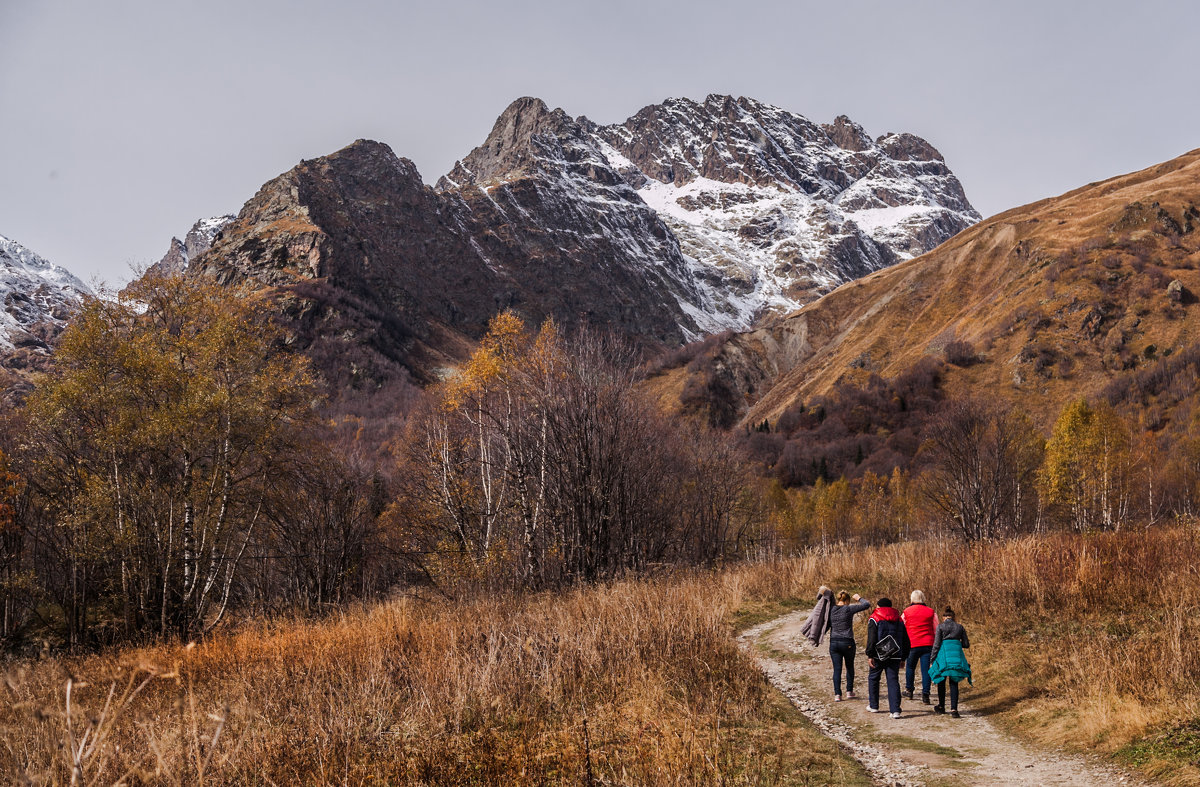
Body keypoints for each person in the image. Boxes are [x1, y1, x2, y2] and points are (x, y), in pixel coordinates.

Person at [865, 597, 910, 719]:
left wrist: (870, 654)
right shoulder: (899, 619)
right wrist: (903, 657)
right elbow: (905, 639)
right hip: (895, 654)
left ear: (878, 606)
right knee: (893, 680)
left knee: (874, 678)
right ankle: (895, 711)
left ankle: (874, 705)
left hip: (878, 654)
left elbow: (871, 638)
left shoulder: (874, 618)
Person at [826, 590, 870, 701]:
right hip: (847, 642)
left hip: (834, 642)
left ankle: (837, 694)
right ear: (847, 600)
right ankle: (849, 691)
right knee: (849, 667)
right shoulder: (848, 609)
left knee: (837, 669)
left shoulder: (831, 609)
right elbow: (867, 605)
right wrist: (859, 598)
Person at [929, 606, 972, 718]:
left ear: (944, 617)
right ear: (954, 617)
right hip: (956, 656)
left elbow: (937, 645)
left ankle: (942, 706)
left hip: (944, 657)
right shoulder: (960, 627)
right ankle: (954, 710)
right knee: (954, 683)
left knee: (941, 681)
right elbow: (966, 644)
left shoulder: (940, 627)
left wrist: (932, 660)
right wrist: (957, 643)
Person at [901, 590, 938, 705]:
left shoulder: (906, 612)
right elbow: (936, 628)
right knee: (926, 669)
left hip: (912, 643)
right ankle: (926, 694)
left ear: (912, 599)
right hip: (927, 643)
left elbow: (901, 627)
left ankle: (909, 690)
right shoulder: (931, 612)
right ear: (923, 598)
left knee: (910, 667)